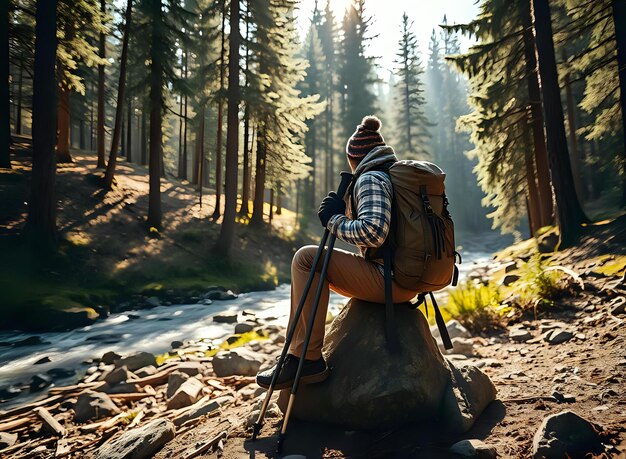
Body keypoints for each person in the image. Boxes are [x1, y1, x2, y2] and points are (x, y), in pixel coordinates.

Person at [256, 115, 418, 390]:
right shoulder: (392, 176)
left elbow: (373, 232)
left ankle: (305, 360)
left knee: (306, 259)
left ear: (354, 159)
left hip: (391, 280)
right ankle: (302, 356)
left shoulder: (370, 179)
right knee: (314, 261)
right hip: (406, 279)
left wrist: (333, 220)